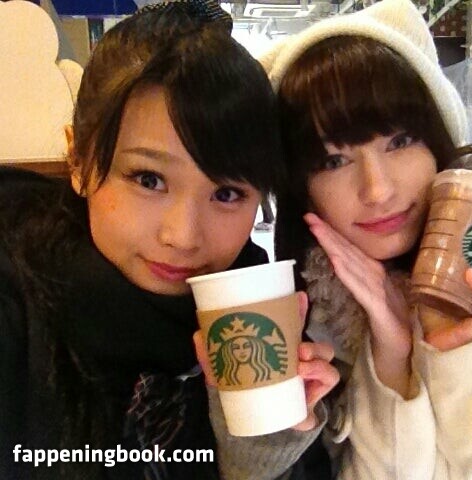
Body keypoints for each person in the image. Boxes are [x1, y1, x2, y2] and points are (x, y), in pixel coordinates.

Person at [261, 0, 472, 478]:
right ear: (301, 188)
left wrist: (467, 357)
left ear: (439, 139)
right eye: (333, 161)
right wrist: (391, 353)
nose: (377, 190)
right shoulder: (312, 310)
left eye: (400, 141)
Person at [0, 2, 338, 479]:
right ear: (79, 162)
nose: (182, 237)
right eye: (149, 179)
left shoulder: (261, 317)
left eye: (226, 193)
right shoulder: (17, 303)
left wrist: (262, 455)